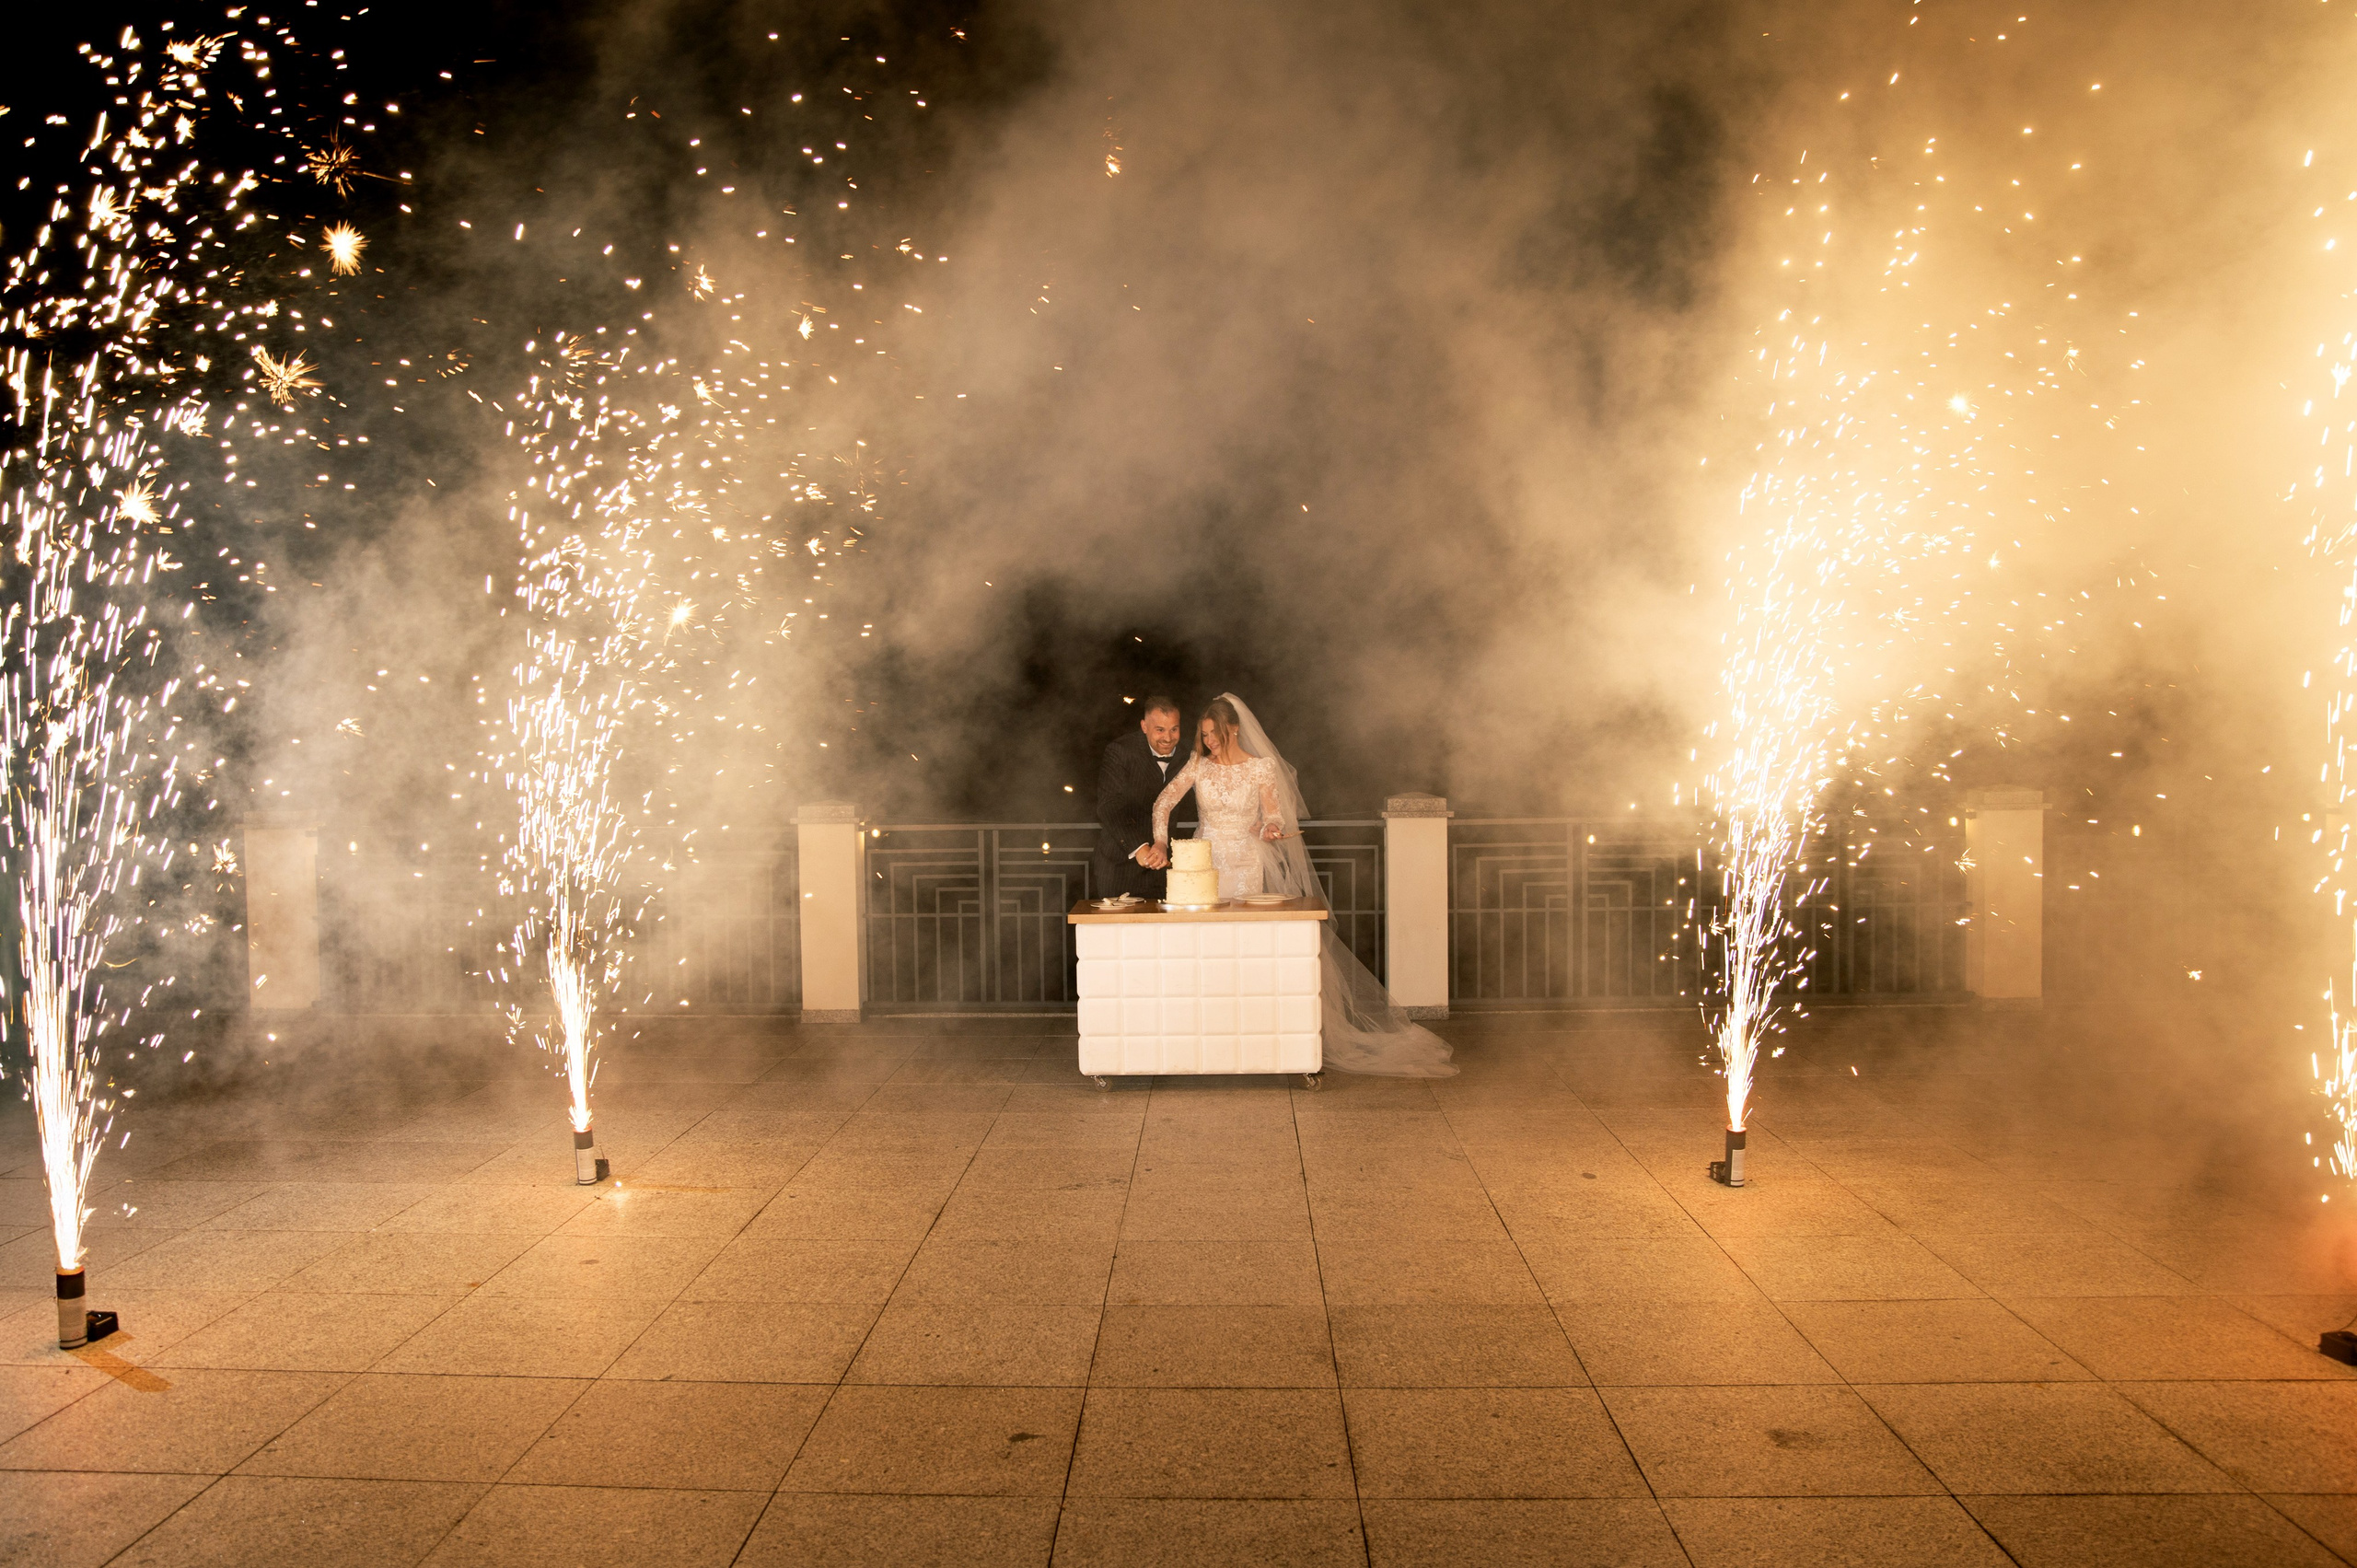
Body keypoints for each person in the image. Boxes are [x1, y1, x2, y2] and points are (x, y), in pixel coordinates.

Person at [1149, 692, 1456, 1078]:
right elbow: (1163, 803)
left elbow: (1272, 815)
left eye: (1216, 734)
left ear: (1235, 729)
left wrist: (1269, 827)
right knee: (1205, 947)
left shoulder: (1261, 768)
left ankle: (1251, 1028)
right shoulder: (1198, 765)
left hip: (1247, 863)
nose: (1209, 741)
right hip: (1204, 866)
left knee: (1245, 947)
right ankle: (1208, 1027)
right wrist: (1160, 841)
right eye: (1204, 734)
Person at [1089, 695, 1192, 901]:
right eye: (1160, 730)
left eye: (1174, 729)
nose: (1168, 737)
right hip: (1120, 867)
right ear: (1144, 726)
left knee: (1164, 933)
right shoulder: (1120, 751)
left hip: (1167, 871)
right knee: (1120, 933)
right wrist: (1139, 847)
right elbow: (1109, 805)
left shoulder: (1188, 754)